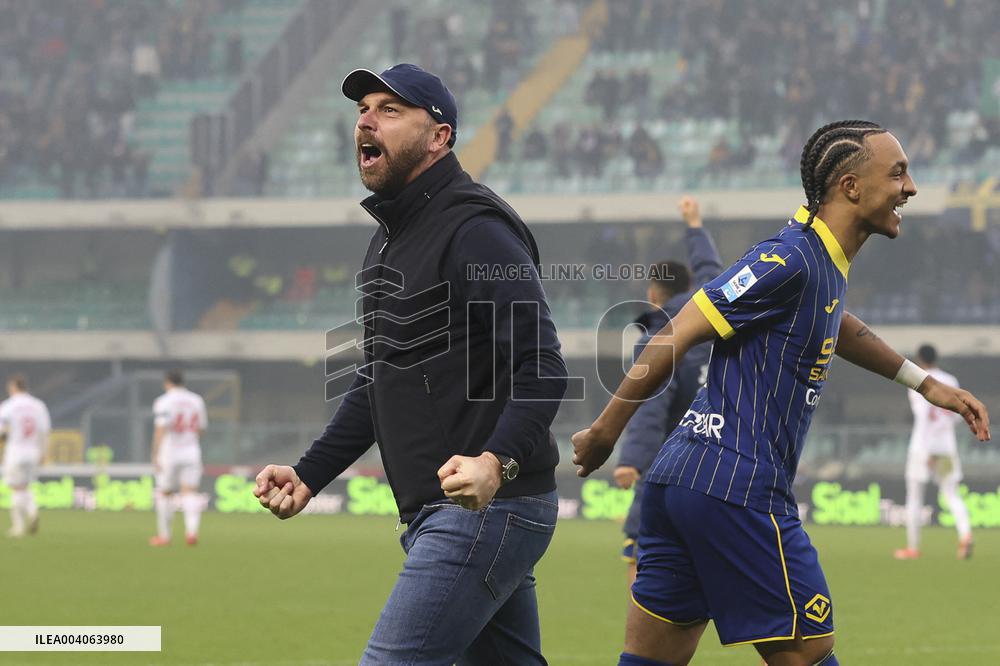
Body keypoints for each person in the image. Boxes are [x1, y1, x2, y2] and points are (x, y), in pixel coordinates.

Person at [572, 119, 991, 666]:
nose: (910, 188)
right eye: (898, 174)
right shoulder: (788, 259)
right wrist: (606, 431)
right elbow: (676, 332)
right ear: (851, 187)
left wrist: (925, 382)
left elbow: (839, 324)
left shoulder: (821, 263)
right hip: (736, 485)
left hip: (680, 481)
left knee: (654, 654)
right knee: (808, 652)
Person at [252, 63, 568, 664]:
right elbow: (380, 379)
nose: (366, 120)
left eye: (390, 110)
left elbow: (543, 364)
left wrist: (495, 463)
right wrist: (310, 473)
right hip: (451, 509)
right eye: (362, 110)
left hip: (484, 507)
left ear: (439, 137)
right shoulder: (392, 240)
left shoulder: (476, 229)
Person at [615, 196, 722, 585]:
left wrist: (633, 459)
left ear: (653, 293)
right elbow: (711, 268)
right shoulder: (716, 309)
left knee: (640, 547)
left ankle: (645, 639)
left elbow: (650, 402)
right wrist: (695, 225)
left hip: (671, 463)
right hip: (722, 457)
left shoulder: (660, 332)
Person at [894, 344, 974, 560]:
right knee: (952, 494)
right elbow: (957, 415)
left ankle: (912, 547)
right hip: (946, 447)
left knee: (915, 496)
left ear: (920, 359)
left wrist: (928, 449)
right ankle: (965, 535)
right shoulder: (951, 381)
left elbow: (923, 416)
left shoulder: (916, 380)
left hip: (923, 447)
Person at [149, 370, 207, 547]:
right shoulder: (197, 400)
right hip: (191, 450)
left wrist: (155, 453)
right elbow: (201, 428)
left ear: (167, 383)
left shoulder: (163, 401)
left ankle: (164, 536)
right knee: (190, 491)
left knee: (165, 492)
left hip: (170, 451)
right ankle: (191, 532)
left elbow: (161, 428)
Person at [0, 374, 50, 538]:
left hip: (16, 450)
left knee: (16, 488)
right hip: (33, 451)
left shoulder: (9, 405)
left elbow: (1, 431)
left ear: (13, 387)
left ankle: (18, 527)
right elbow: (44, 432)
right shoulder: (38, 405)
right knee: (25, 487)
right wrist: (44, 453)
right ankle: (33, 512)